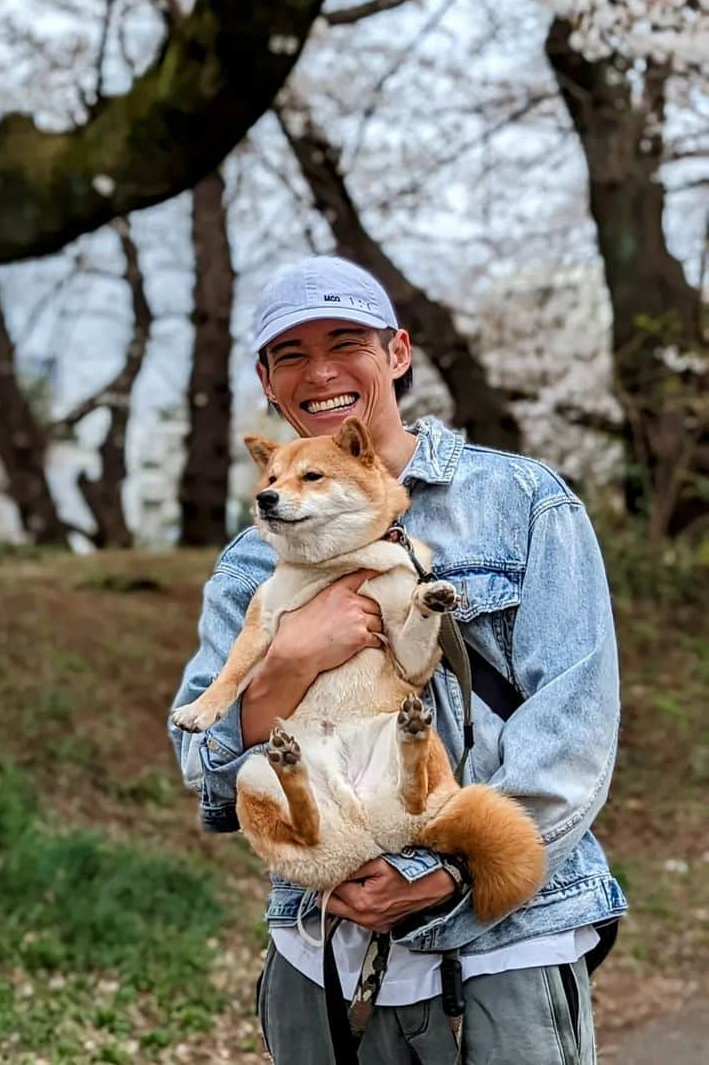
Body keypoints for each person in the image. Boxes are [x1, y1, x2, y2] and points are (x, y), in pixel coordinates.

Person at [169, 255, 626, 1065]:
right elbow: (206, 772)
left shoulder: (522, 501)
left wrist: (440, 870)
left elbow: (575, 718)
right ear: (268, 382)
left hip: (501, 944)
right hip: (323, 954)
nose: (321, 371)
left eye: (346, 342)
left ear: (399, 353)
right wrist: (290, 661)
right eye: (290, 355)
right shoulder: (251, 562)